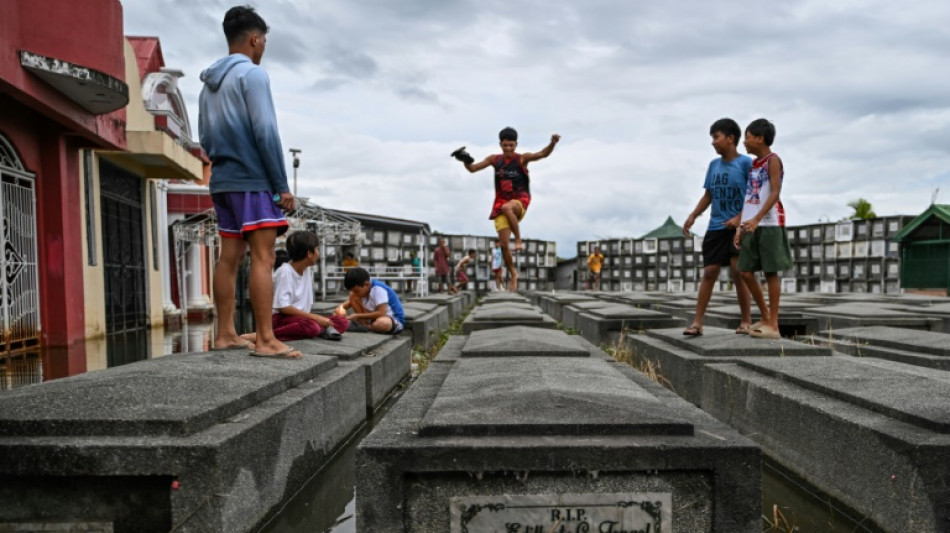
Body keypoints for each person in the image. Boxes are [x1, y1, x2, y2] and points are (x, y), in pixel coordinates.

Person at [200, 5, 299, 358]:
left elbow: (205, 139)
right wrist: (280, 185)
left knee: (229, 257)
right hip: (252, 178)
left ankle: (225, 333)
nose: (264, 48)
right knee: (263, 256)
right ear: (255, 39)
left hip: (222, 179)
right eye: (264, 41)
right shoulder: (252, 76)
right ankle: (266, 339)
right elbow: (266, 132)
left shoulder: (209, 85)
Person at [452, 127, 560, 291]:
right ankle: (513, 273)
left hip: (519, 200)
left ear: (516, 144)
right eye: (505, 145)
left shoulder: (522, 159)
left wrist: (552, 143)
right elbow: (473, 169)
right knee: (503, 244)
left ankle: (518, 239)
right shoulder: (494, 160)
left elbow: (542, 154)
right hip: (501, 205)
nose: (508, 149)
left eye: (511, 145)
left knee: (507, 207)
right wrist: (465, 159)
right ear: (500, 144)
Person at [681, 118, 753, 336]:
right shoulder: (714, 165)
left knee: (738, 272)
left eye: (716, 137)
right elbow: (709, 194)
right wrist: (694, 214)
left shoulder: (746, 164)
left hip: (738, 228)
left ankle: (746, 321)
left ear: (730, 138)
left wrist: (740, 218)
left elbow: (753, 197)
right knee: (709, 272)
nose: (713, 142)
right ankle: (697, 322)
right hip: (716, 226)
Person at [734, 118, 793, 340]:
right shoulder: (754, 165)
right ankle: (766, 316)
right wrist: (741, 225)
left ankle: (774, 324)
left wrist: (758, 218)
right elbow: (750, 197)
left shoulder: (773, 160)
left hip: (769, 223)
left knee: (770, 271)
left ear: (759, 138)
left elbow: (775, 193)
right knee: (745, 271)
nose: (745, 143)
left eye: (747, 137)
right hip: (751, 223)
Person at [240, 231, 349, 344]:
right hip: (281, 319)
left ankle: (316, 330)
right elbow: (283, 307)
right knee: (311, 326)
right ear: (309, 254)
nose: (318, 253)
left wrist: (317, 319)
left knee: (342, 322)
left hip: (300, 319)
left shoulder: (307, 270)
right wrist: (315, 317)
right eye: (317, 249)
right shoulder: (285, 271)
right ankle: (263, 337)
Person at [336, 267, 406, 334]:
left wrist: (357, 316)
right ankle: (363, 325)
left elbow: (382, 313)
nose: (355, 293)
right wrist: (340, 308)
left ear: (366, 284)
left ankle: (365, 327)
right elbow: (347, 303)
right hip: (373, 320)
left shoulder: (378, 289)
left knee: (382, 323)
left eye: (356, 291)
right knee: (353, 298)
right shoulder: (362, 291)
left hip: (392, 320)